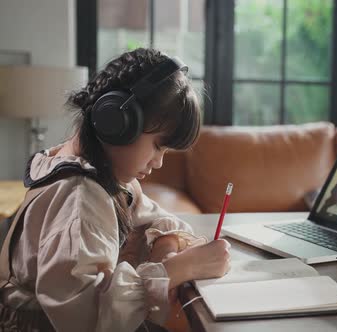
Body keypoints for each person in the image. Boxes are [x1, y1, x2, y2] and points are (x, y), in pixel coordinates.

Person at [0, 48, 230, 331]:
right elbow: (87, 317)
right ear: (117, 122)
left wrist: (166, 246)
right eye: (159, 146)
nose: (158, 162)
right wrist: (181, 268)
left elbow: (153, 217)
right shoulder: (80, 196)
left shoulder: (101, 174)